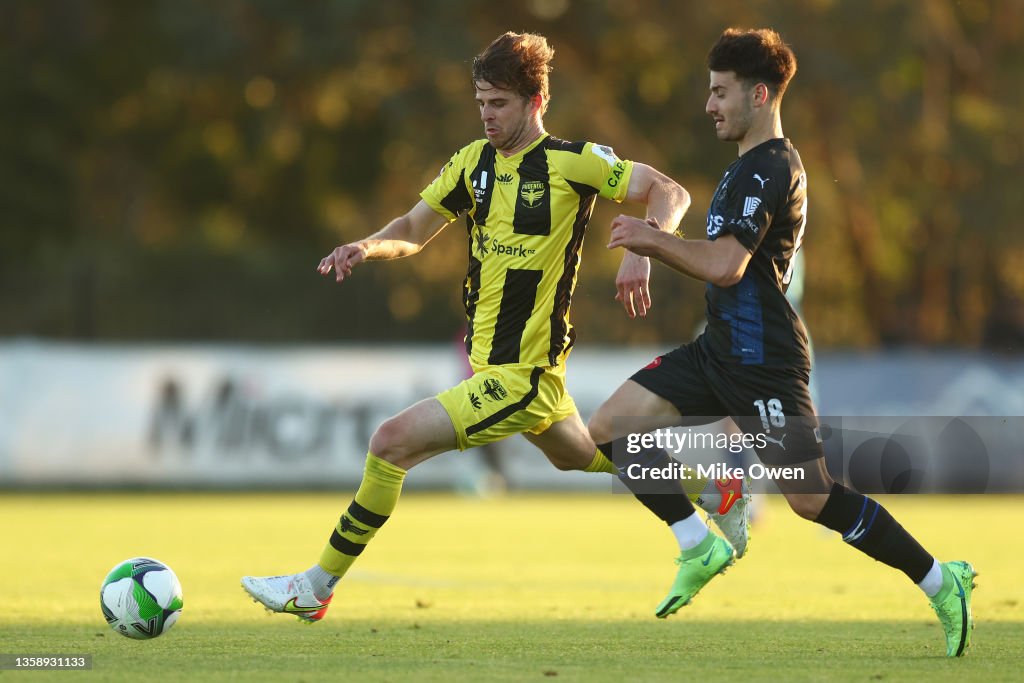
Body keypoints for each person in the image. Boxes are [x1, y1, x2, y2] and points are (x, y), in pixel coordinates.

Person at [241, 31, 744, 622]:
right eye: (480, 101)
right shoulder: (471, 163)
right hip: (511, 370)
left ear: (535, 102)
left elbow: (670, 190)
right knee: (582, 455)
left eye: (499, 103)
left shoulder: (572, 161)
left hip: (521, 374)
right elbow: (412, 226)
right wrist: (367, 246)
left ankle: (315, 586)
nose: (486, 114)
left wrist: (647, 246)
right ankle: (713, 491)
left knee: (389, 444)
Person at [588, 28, 976, 657]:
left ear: (759, 93)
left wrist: (649, 241)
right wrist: (652, 242)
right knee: (608, 428)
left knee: (811, 498)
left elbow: (726, 266)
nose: (709, 104)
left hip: (764, 363)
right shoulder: (744, 167)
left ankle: (940, 579)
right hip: (718, 349)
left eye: (720, 92)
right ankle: (700, 536)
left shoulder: (772, 167)